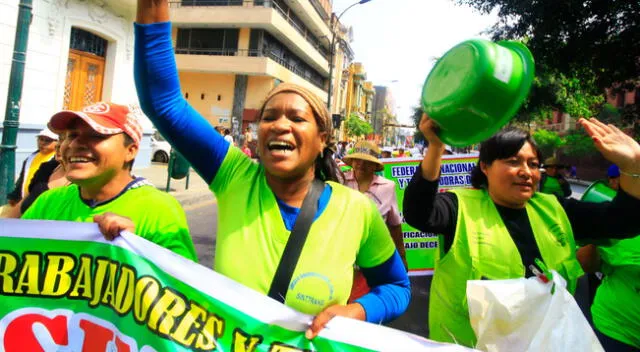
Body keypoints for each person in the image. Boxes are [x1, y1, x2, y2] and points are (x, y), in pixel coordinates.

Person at [132, 1, 410, 339]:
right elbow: (163, 103)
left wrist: (358, 310)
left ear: (323, 139)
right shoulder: (235, 176)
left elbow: (396, 287)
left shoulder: (357, 210)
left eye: (296, 118)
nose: (279, 125)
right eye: (269, 117)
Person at [403, 113, 640, 347]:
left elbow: (623, 222)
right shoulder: (459, 207)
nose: (526, 171)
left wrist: (632, 165)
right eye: (513, 161)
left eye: (533, 164)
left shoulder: (555, 209)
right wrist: (435, 147)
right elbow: (418, 212)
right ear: (485, 167)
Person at [21, 102, 197, 261]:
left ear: (130, 150)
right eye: (71, 135)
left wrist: (136, 249)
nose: (75, 144)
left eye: (96, 136)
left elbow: (183, 288)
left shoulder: (160, 209)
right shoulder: (48, 202)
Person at [342, 141, 408, 300]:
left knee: (365, 305)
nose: (361, 165)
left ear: (374, 166)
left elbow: (394, 224)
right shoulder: (340, 181)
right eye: (358, 160)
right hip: (343, 257)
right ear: (352, 162)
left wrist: (402, 257)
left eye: (367, 162)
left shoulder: (388, 187)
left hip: (372, 257)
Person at [3, 136, 69, 218]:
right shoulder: (46, 168)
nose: (58, 145)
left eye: (68, 138)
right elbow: (27, 198)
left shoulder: (80, 182)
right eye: (60, 138)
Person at [6, 128, 58, 207]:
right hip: (24, 201)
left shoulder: (56, 159)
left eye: (48, 140)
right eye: (40, 139)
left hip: (41, 203)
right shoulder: (31, 157)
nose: (42, 143)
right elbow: (22, 179)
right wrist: (15, 196)